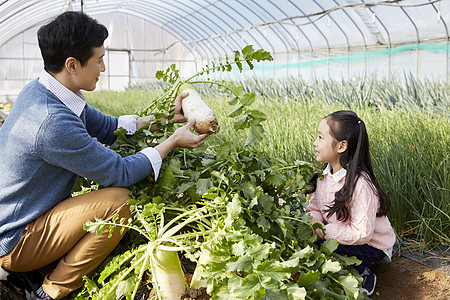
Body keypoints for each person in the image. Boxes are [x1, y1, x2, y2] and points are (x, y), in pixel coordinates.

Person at [0, 11, 208, 300]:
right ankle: (49, 292)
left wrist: (165, 119)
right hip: (14, 241)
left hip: (20, 221)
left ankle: (35, 270)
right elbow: (119, 172)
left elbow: (109, 127)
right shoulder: (51, 122)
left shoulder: (47, 90)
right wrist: (172, 142)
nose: (104, 67)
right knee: (119, 202)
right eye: (99, 59)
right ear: (72, 65)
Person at [306, 110, 396, 297]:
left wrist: (326, 231)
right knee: (310, 238)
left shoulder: (360, 183)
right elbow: (314, 207)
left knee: (320, 246)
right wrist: (314, 221)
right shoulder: (324, 176)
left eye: (321, 137)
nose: (315, 143)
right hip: (340, 233)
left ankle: (364, 272)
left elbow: (362, 233)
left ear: (341, 146)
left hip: (371, 246)